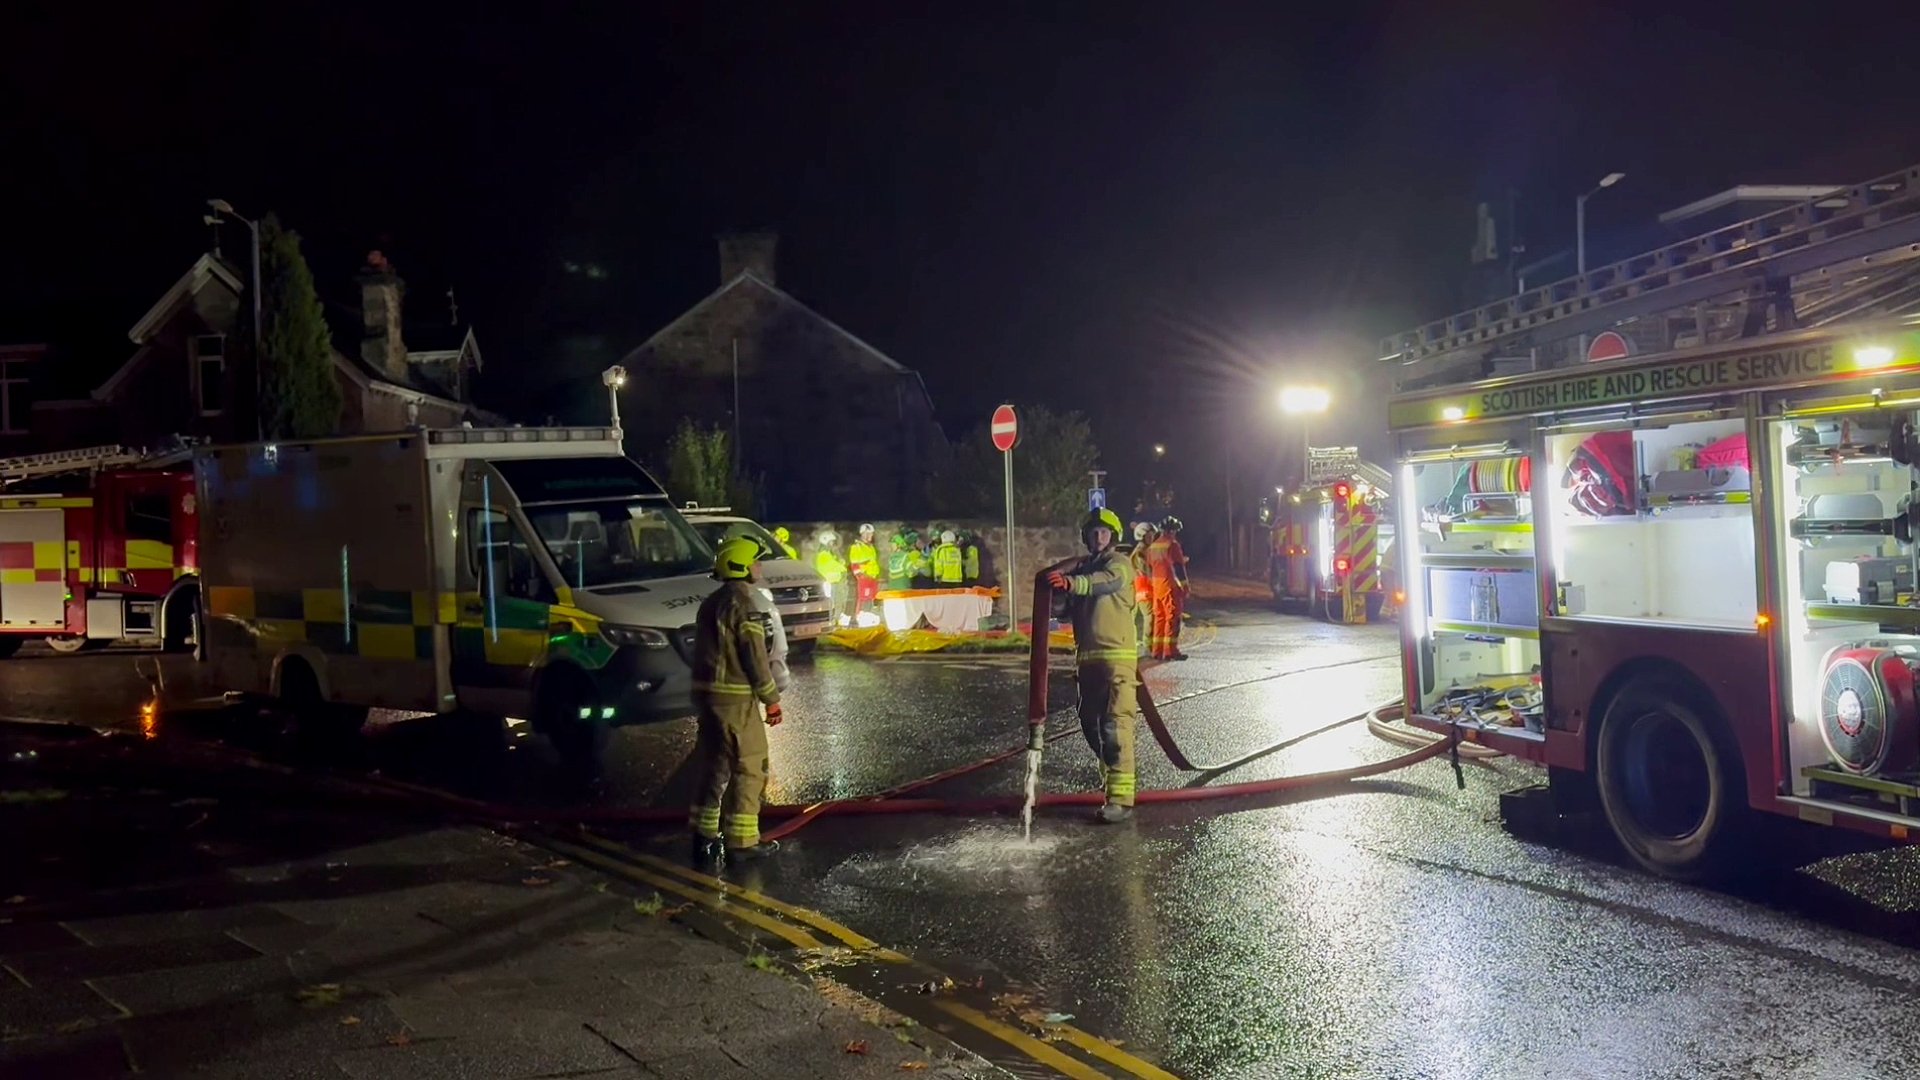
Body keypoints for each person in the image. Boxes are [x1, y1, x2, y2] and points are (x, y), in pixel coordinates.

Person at [688, 535, 785, 862]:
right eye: (755, 561)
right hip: (735, 701)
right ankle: (742, 844)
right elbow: (754, 657)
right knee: (750, 765)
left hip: (707, 698)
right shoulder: (745, 604)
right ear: (741, 565)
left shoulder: (710, 603)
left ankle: (703, 835)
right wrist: (770, 698)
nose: (759, 566)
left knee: (715, 764)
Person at [1046, 508, 1140, 823]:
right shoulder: (1085, 570)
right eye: (1094, 532)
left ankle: (1121, 798)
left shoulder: (1119, 565)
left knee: (1115, 726)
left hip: (1117, 658)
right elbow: (1065, 612)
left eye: (1104, 532)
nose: (1099, 537)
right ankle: (1112, 776)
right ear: (1087, 537)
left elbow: (1106, 583)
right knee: (1091, 725)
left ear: (1113, 537)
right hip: (1087, 660)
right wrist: (1058, 595)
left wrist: (1072, 583)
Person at [1159, 516, 1191, 660]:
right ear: (1172, 531)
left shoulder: (1154, 545)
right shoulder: (1173, 544)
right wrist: (1185, 585)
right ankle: (1171, 651)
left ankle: (1158, 651)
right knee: (1173, 618)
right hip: (1170, 585)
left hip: (1156, 586)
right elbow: (1178, 566)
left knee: (1160, 618)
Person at [1130, 521, 1157, 657]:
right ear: (1142, 536)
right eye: (1149, 535)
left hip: (1146, 588)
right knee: (1149, 616)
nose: (1152, 538)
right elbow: (1146, 571)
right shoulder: (1140, 552)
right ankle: (1148, 647)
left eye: (1152, 535)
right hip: (1143, 589)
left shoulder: (1146, 550)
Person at [813, 531, 848, 621]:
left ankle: (834, 620)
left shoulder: (829, 554)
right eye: (831, 542)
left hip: (834, 582)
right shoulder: (823, 555)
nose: (833, 544)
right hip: (829, 583)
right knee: (831, 603)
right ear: (826, 542)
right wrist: (843, 567)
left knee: (836, 603)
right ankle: (830, 620)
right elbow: (834, 566)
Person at [849, 524, 882, 617]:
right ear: (862, 534)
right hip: (864, 577)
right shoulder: (856, 547)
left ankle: (869, 617)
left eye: (871, 534)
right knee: (864, 599)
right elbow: (854, 564)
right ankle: (860, 618)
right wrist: (860, 576)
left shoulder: (871, 547)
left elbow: (873, 562)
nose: (870, 536)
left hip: (873, 577)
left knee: (871, 599)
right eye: (868, 534)